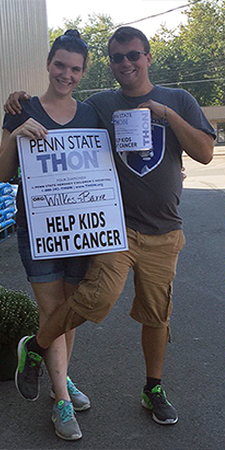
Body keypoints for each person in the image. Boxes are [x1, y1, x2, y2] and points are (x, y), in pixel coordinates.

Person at [10, 26, 215, 426]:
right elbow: (63, 115)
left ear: (148, 57)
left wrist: (167, 115)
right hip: (115, 228)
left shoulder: (179, 99)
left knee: (157, 316)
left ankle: (152, 387)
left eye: (133, 55)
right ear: (109, 63)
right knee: (95, 299)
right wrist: (18, 104)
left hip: (165, 231)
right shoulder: (101, 104)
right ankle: (38, 347)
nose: (126, 63)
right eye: (117, 57)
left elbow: (206, 153)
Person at [0, 29, 96, 441]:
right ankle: (60, 399)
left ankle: (60, 373)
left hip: (82, 230)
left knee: (70, 311)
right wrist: (16, 136)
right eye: (60, 65)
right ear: (48, 63)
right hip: (36, 228)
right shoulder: (21, 109)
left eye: (75, 68)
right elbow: (2, 175)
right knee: (53, 308)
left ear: (83, 71)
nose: (66, 74)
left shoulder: (92, 113)